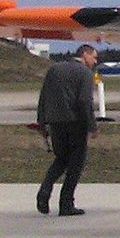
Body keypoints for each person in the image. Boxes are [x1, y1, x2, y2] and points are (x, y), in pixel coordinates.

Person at [36, 44, 99, 217]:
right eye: (94, 57)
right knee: (76, 164)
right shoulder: (85, 73)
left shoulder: (54, 69)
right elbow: (85, 101)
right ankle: (66, 203)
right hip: (76, 123)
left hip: (55, 122)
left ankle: (44, 190)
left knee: (61, 158)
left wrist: (41, 123)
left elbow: (43, 97)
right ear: (85, 54)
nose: (95, 61)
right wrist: (92, 126)